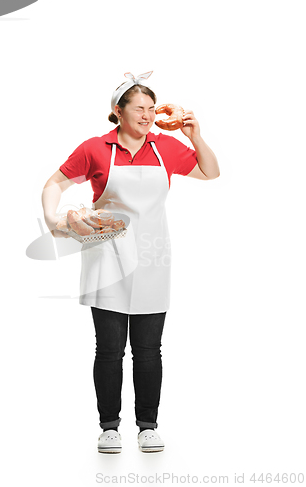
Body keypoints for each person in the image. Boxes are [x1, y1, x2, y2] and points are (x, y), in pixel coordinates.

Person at [41, 71, 220, 454]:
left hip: (154, 256)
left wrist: (195, 137)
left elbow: (211, 172)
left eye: (152, 109)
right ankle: (109, 427)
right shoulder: (95, 148)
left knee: (149, 348)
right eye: (139, 108)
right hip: (106, 256)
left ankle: (147, 426)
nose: (148, 115)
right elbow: (53, 183)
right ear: (117, 111)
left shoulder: (165, 147)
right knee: (108, 349)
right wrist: (54, 219)